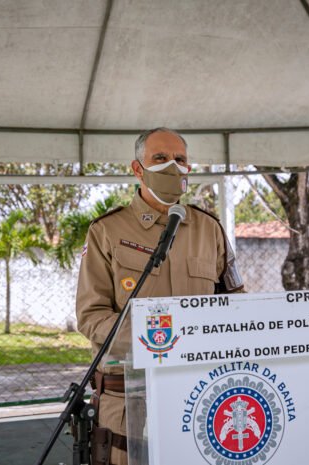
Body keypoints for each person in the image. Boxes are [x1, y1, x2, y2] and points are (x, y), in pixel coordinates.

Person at [76, 127, 244, 465]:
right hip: (129, 394)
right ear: (138, 169)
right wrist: (158, 343)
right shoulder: (107, 231)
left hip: (199, 388)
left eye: (180, 160)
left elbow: (235, 306)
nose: (172, 167)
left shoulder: (209, 229)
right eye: (160, 158)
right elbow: (91, 316)